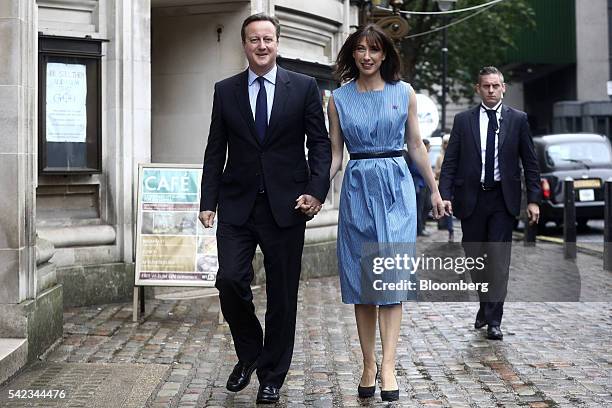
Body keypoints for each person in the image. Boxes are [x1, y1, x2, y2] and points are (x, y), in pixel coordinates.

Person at [198, 13, 331, 404]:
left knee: (283, 295)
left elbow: (319, 145)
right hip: (237, 206)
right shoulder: (225, 90)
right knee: (230, 281)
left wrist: (315, 192)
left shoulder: (303, 87)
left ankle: (272, 374)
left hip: (287, 207)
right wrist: (208, 202)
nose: (261, 45)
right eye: (254, 39)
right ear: (244, 45)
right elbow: (214, 149)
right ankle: (251, 352)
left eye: (268, 39)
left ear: (278, 43)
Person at [328, 24, 447, 402]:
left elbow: (415, 145)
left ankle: (390, 365)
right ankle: (368, 363)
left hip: (396, 189)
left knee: (391, 279)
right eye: (360, 49)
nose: (367, 56)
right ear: (352, 54)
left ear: (384, 55)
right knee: (363, 283)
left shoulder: (404, 92)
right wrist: (312, 192)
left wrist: (434, 191)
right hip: (358, 188)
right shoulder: (338, 99)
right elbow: (334, 155)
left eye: (374, 50)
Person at [438, 66, 541, 340]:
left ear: (503, 87)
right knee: (476, 258)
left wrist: (534, 200)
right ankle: (485, 304)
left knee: (497, 259)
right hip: (471, 199)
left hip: (502, 200)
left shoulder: (518, 120)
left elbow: (531, 163)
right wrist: (444, 195)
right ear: (478, 88)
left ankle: (494, 319)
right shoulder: (463, 120)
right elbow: (450, 163)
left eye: (496, 86)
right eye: (486, 86)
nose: (491, 90)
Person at [434, 134, 454, 242]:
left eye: (448, 143)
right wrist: (443, 171)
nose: (446, 145)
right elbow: (436, 171)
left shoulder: (456, 154)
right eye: (445, 143)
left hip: (456, 185)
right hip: (444, 185)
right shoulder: (439, 157)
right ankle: (450, 230)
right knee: (448, 207)